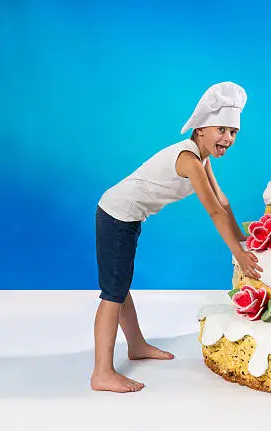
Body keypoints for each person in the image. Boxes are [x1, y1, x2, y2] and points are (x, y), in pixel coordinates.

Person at [91, 82, 262, 393]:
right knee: (112, 293)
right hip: (116, 215)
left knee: (120, 284)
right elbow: (213, 211)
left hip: (126, 216)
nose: (228, 138)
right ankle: (101, 372)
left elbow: (222, 201)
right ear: (199, 130)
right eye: (221, 129)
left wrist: (246, 237)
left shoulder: (203, 158)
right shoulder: (189, 160)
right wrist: (238, 253)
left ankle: (136, 345)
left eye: (233, 132)